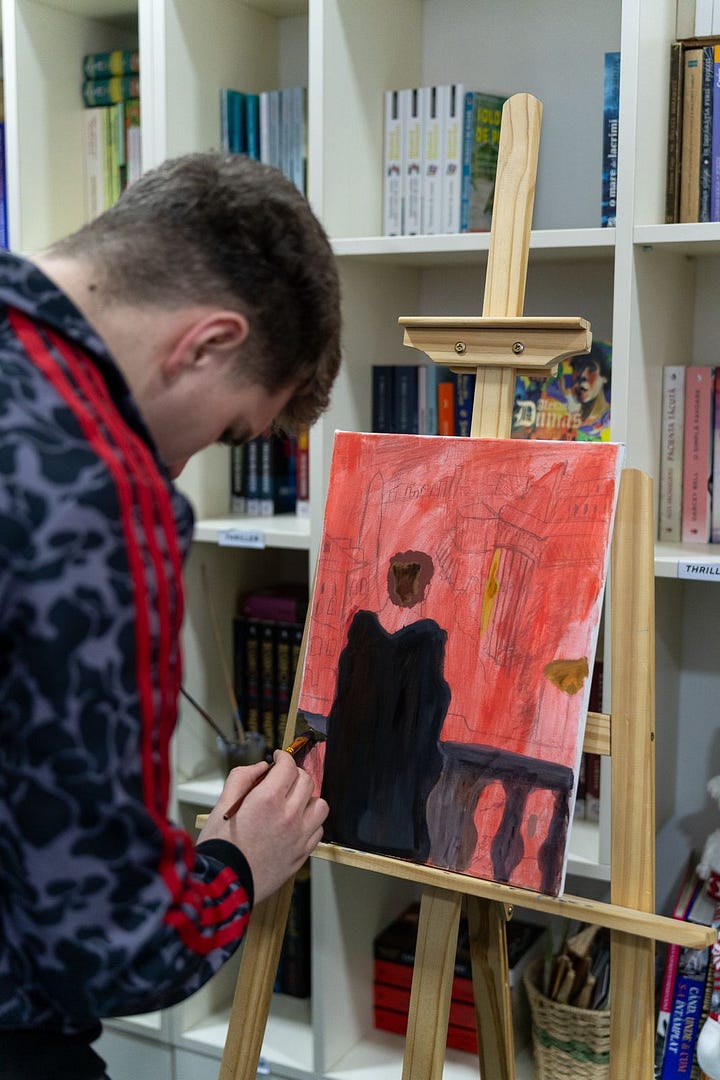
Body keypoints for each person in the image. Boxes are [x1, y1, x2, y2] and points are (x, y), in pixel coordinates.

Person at [0, 151, 339, 1079]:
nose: (185, 467)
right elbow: (110, 944)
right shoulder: (99, 488)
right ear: (206, 343)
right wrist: (235, 866)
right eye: (229, 431)